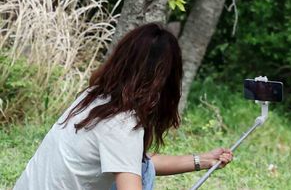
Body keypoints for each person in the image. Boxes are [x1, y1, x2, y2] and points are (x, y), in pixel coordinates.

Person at [13, 22, 234, 190]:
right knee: (141, 173)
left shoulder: (95, 99)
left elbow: (133, 161)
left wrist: (203, 160)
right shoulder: (122, 123)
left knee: (143, 169)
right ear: (166, 79)